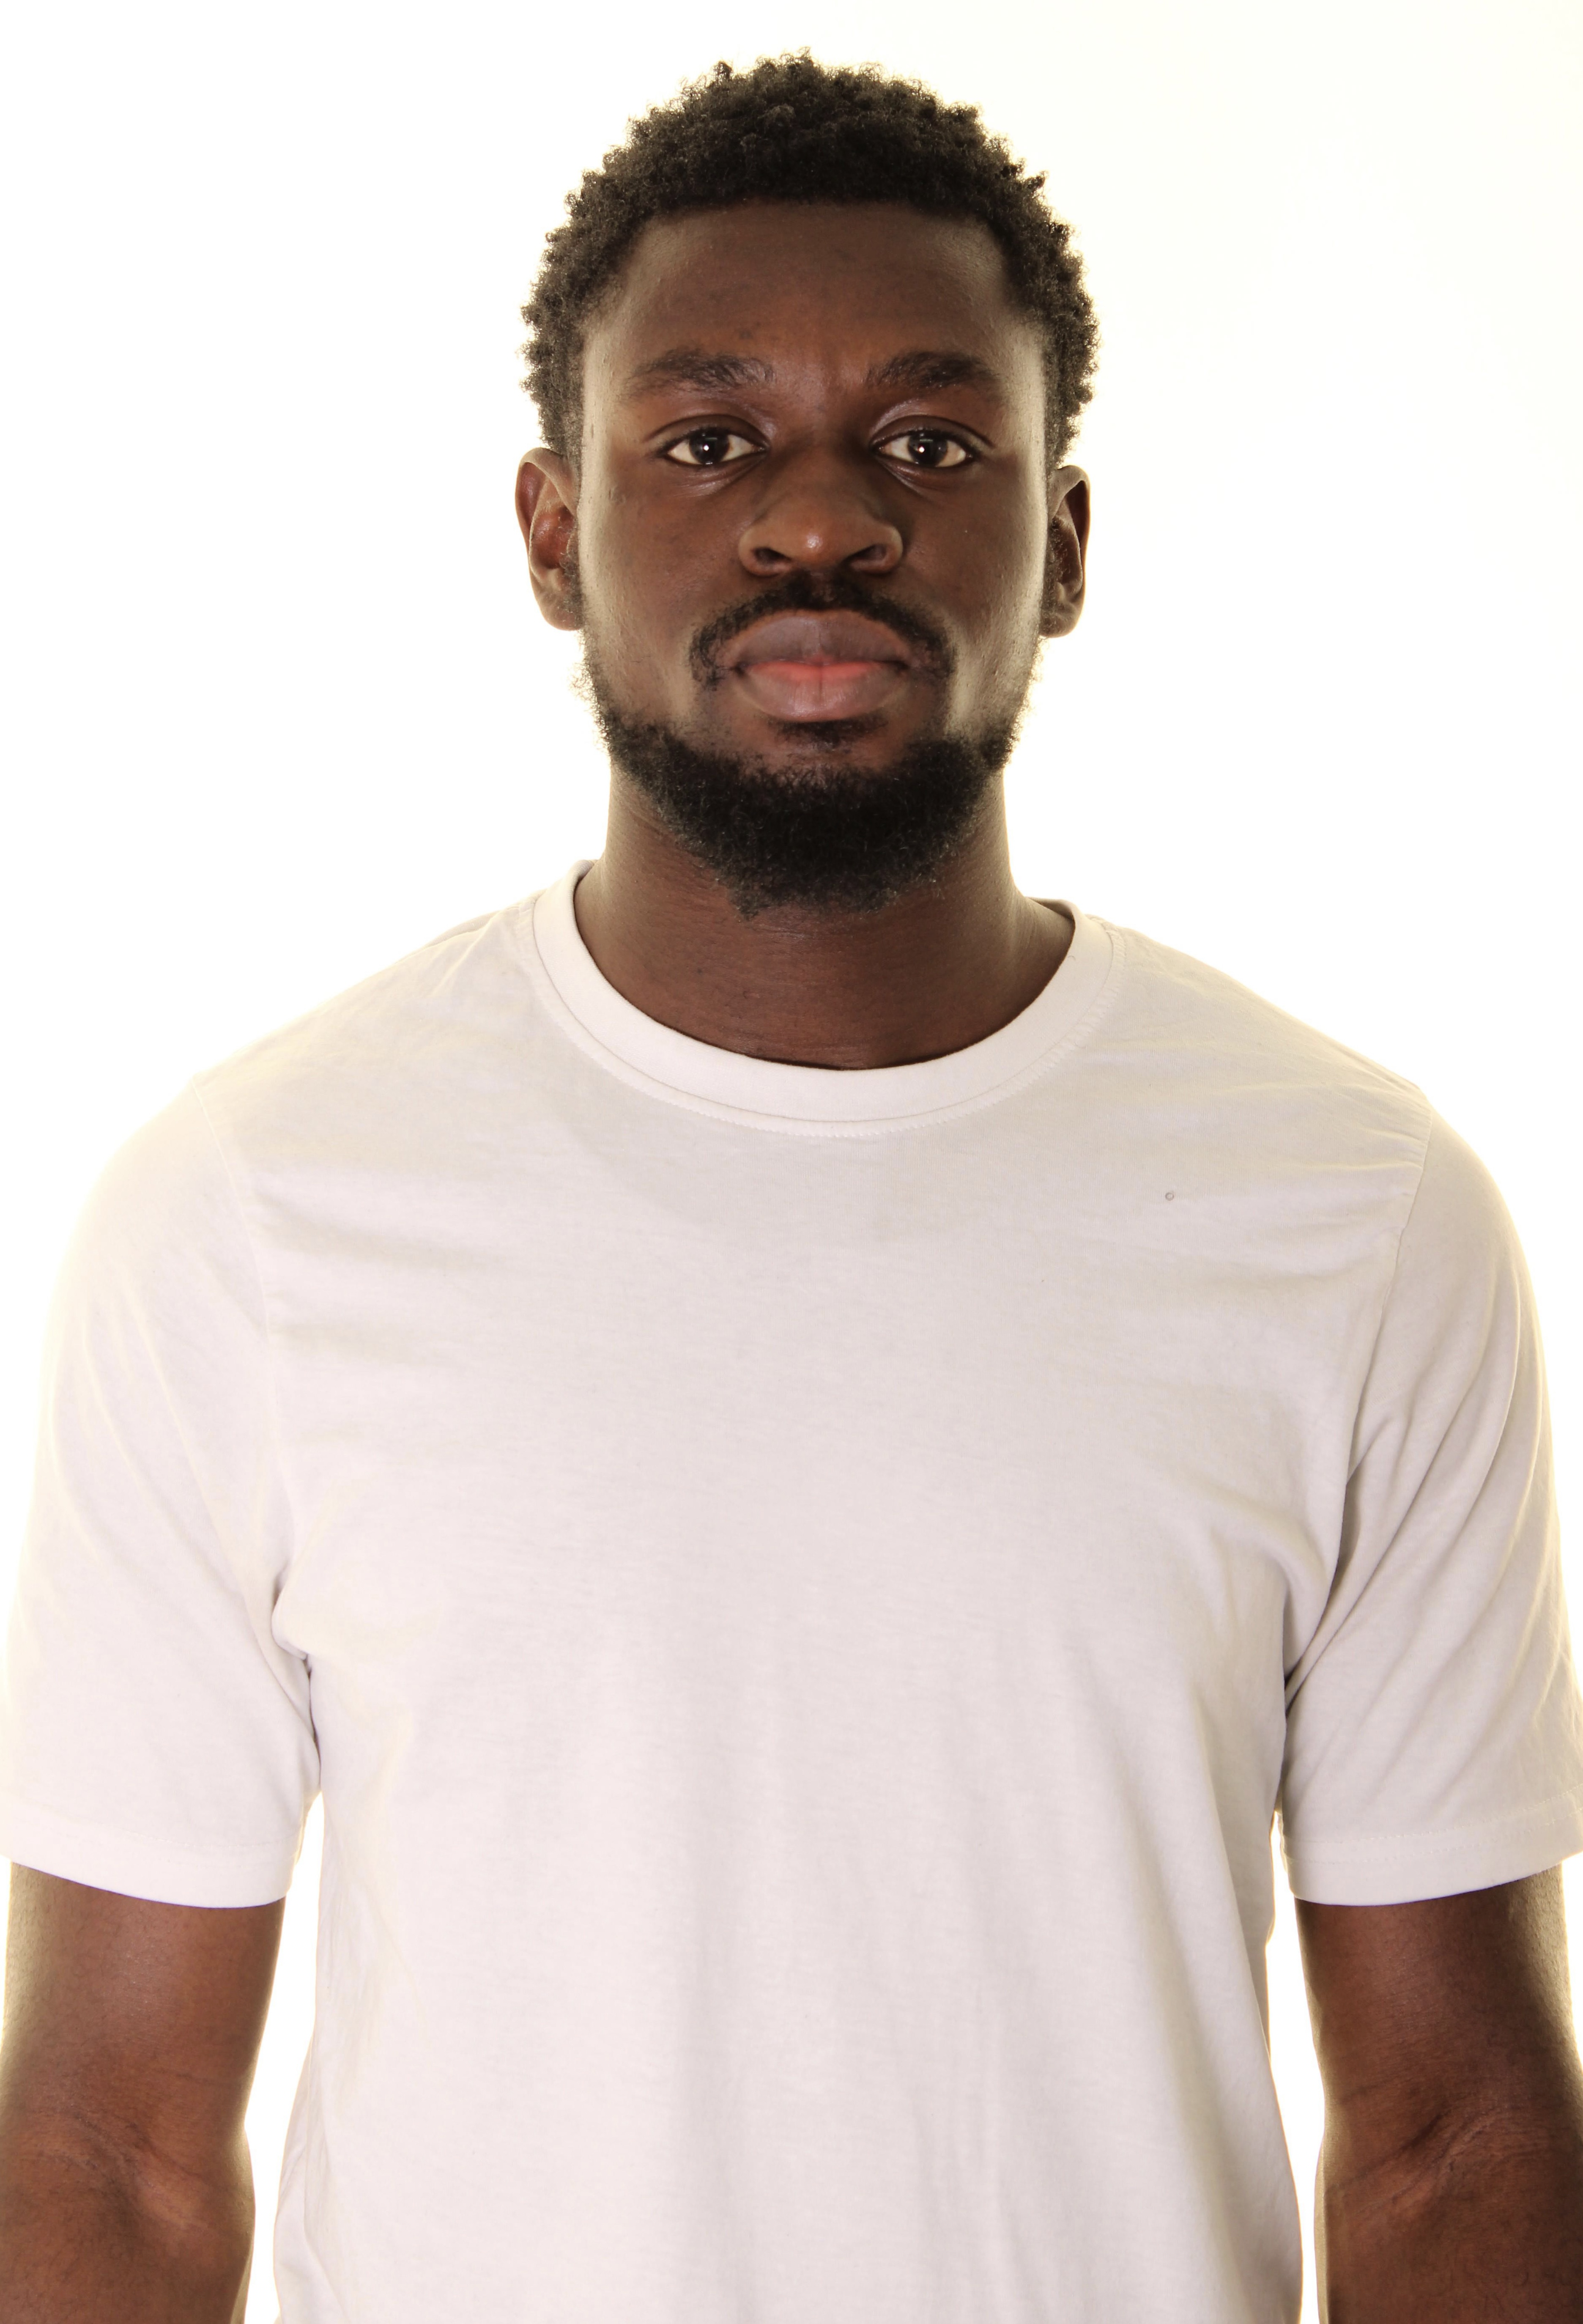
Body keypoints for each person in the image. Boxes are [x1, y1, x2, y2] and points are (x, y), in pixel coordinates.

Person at [1, 50, 1580, 2324]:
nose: (817, 523)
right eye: (709, 440)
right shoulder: (247, 1215)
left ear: (1064, 541)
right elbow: (114, 2149)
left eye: (929, 444)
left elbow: (1456, 2137)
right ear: (553, 533)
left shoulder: (1362, 1214)